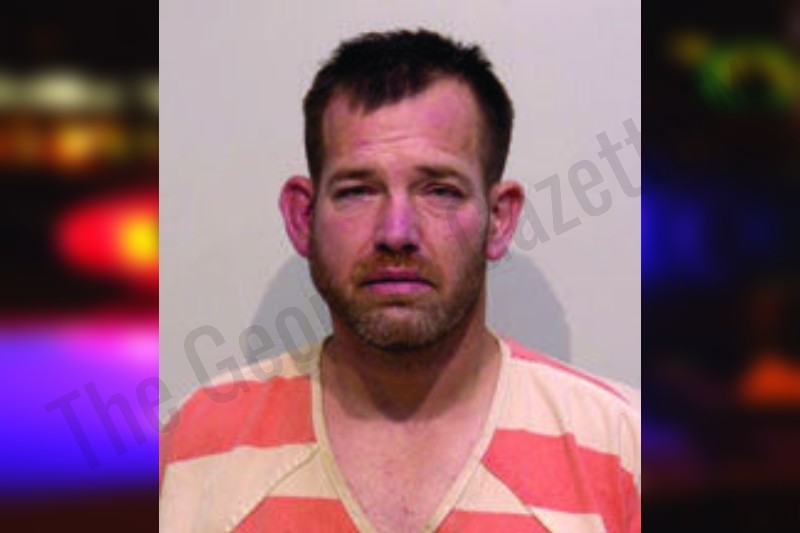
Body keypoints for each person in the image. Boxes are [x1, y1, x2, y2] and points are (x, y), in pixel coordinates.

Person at [160, 29, 641, 533]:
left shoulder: (625, 448)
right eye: (358, 190)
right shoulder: (195, 446)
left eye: (440, 191)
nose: (396, 233)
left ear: (499, 219)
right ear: (303, 218)